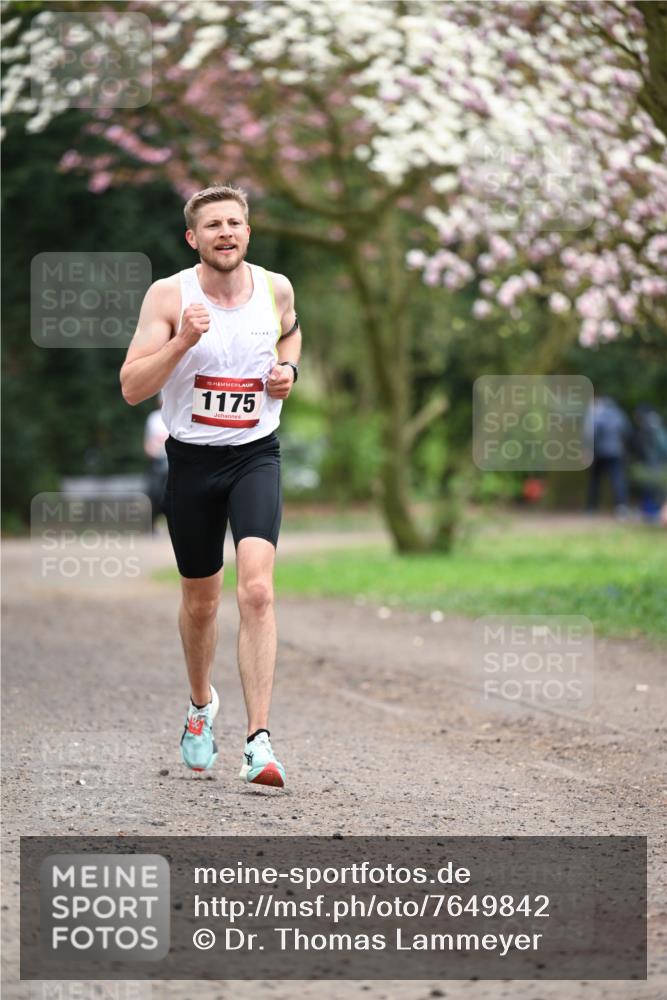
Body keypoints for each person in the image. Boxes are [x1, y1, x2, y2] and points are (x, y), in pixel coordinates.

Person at [120, 184, 301, 787]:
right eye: (213, 225)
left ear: (248, 232)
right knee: (201, 601)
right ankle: (201, 707)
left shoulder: (276, 288)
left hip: (255, 456)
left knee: (256, 591)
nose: (226, 233)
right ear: (193, 238)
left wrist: (288, 370)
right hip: (192, 463)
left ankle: (259, 743)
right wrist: (182, 341)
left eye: (235, 223)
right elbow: (131, 387)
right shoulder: (169, 296)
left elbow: (292, 332)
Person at [584, 396, 632, 518]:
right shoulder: (619, 414)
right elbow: (627, 431)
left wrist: (589, 449)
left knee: (595, 480)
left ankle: (591, 508)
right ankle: (621, 507)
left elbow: (593, 433)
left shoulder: (598, 415)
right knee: (618, 479)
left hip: (600, 452)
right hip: (616, 451)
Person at [143, 395, 169, 530]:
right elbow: (148, 441)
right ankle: (152, 524)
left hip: (173, 461)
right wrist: (150, 451)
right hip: (158, 461)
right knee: (154, 492)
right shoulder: (153, 418)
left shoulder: (176, 415)